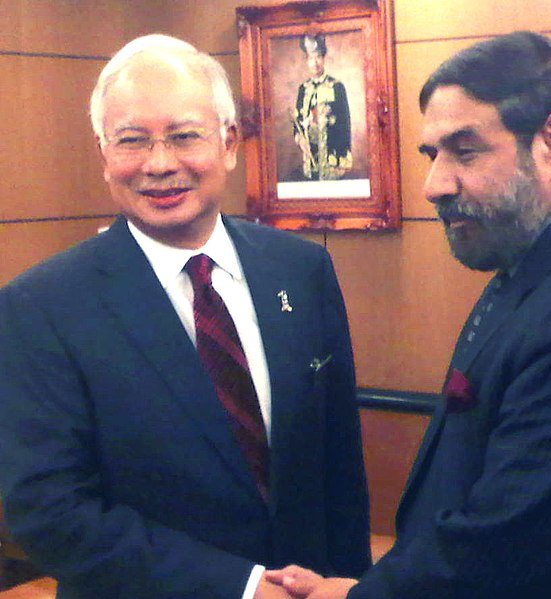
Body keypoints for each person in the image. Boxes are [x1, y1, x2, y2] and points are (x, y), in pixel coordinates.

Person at [267, 30, 551, 598]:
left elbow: (508, 544)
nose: (433, 184)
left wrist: (355, 597)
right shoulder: (542, 260)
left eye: (465, 150)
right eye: (432, 155)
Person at [0, 34, 370, 599]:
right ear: (104, 154)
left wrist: (351, 587)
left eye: (183, 136)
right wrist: (241, 587)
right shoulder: (41, 307)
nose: (159, 164)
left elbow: (339, 464)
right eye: (132, 141)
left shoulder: (302, 268)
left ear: (229, 143)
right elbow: (49, 511)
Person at [292, 34, 352, 181]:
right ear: (306, 60)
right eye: (311, 58)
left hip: (332, 160)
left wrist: (343, 159)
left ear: (324, 58)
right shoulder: (303, 89)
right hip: (310, 163)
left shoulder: (337, 86)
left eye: (318, 57)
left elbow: (345, 125)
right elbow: (297, 123)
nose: (315, 63)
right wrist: (300, 140)